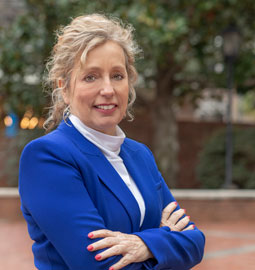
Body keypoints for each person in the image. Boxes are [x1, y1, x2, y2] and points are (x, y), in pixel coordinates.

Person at [19, 14, 205, 270]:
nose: (108, 89)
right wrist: (164, 240)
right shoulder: (47, 157)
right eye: (91, 77)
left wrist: (143, 245)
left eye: (117, 76)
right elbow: (98, 265)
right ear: (64, 87)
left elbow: (195, 241)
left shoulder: (140, 155)